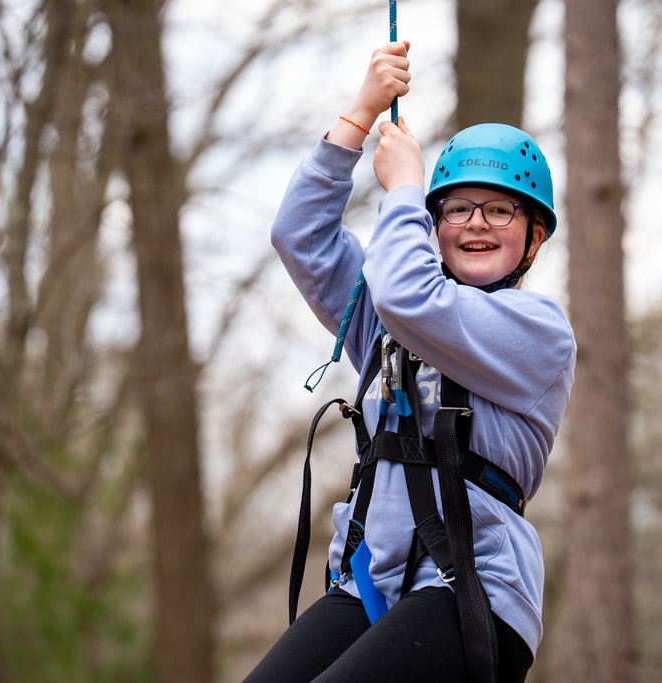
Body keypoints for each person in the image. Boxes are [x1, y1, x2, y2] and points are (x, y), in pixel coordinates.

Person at [242, 41, 575, 683]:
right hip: (374, 583)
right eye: (456, 208)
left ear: (533, 234)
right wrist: (359, 115)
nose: (476, 223)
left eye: (500, 208)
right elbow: (299, 237)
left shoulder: (538, 333)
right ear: (435, 225)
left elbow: (412, 296)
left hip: (470, 592)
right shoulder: (388, 323)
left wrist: (405, 190)